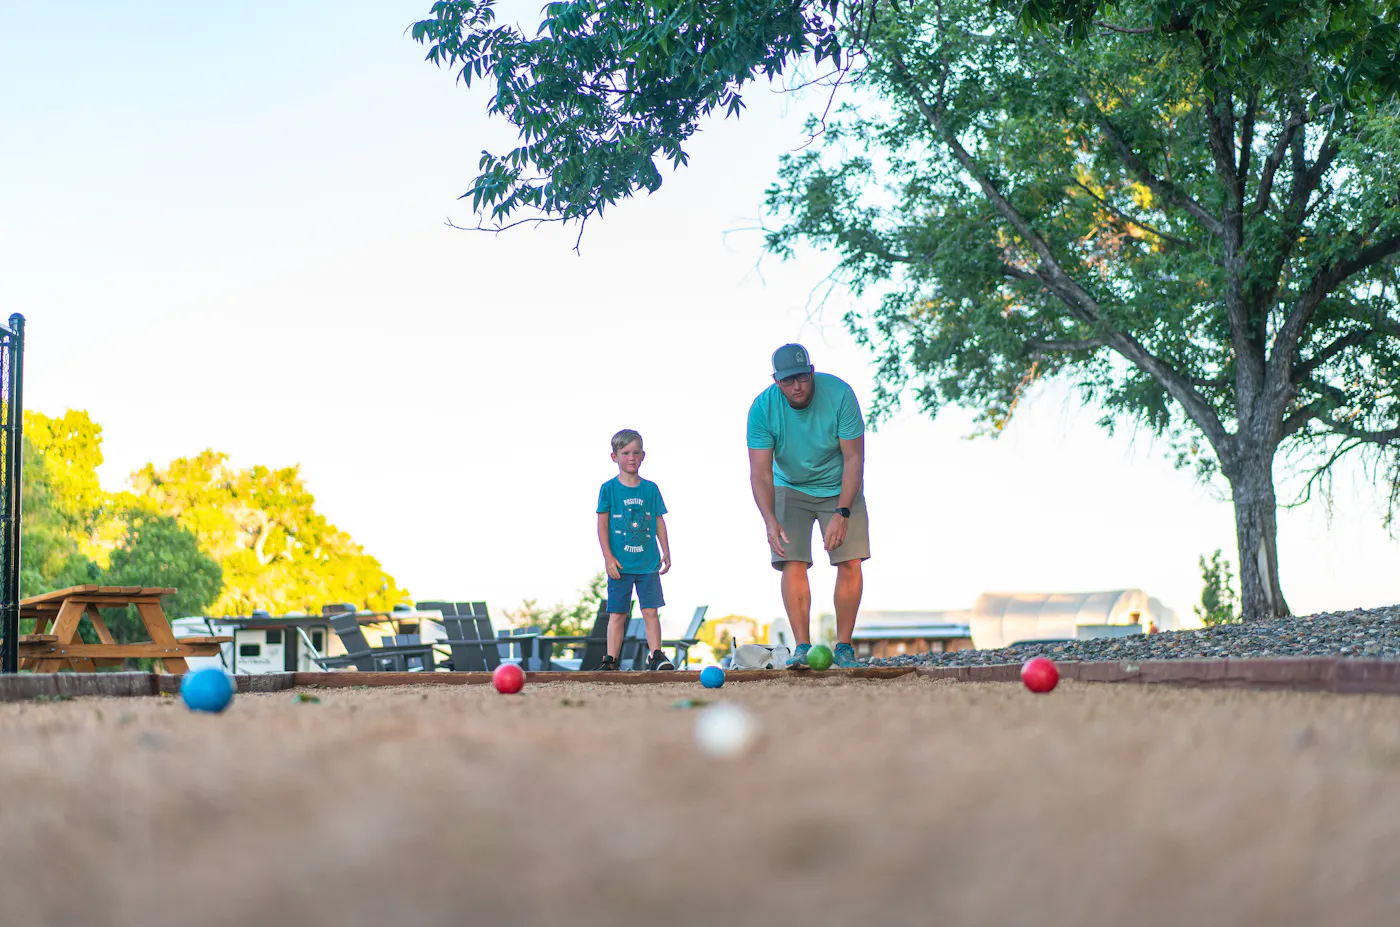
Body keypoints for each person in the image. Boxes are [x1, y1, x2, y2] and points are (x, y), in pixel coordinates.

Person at [747, 344, 868, 669]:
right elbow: (760, 472)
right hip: (789, 486)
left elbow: (854, 457)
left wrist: (843, 512)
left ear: (811, 372)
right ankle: (802, 646)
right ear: (776, 380)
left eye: (802, 377)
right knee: (792, 560)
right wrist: (770, 520)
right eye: (788, 381)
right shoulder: (762, 408)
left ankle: (843, 646)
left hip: (839, 483)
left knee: (850, 561)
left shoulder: (840, 394)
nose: (796, 386)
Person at [596, 428, 674, 671]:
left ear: (643, 456)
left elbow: (659, 520)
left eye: (636, 452)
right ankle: (611, 660)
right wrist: (608, 557)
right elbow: (602, 525)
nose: (631, 457)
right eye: (626, 452)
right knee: (617, 614)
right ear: (614, 457)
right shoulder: (608, 489)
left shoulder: (650, 489)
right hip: (620, 564)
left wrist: (667, 550)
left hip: (647, 563)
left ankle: (657, 655)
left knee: (651, 611)